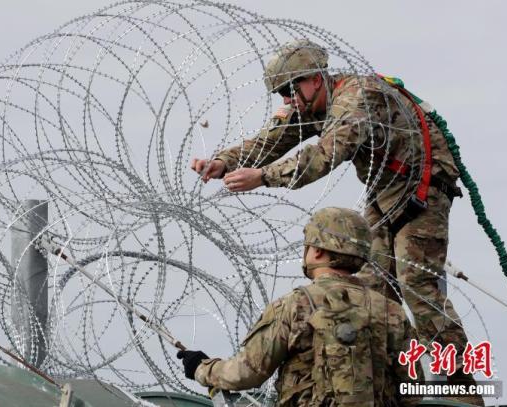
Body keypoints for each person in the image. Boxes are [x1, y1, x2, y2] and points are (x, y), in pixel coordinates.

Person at [190, 39, 482, 401]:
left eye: (288, 89)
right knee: (372, 294)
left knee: (416, 285)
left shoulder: (358, 98)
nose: (285, 100)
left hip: (422, 189)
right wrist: (225, 162)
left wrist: (263, 177)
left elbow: (325, 155)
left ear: (313, 79)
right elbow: (275, 138)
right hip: (384, 193)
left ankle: (464, 394)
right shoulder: (312, 103)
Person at [178, 207, 422, 406]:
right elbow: (413, 389)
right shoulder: (392, 311)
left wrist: (203, 368)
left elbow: (248, 371)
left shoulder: (295, 304)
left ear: (316, 251)